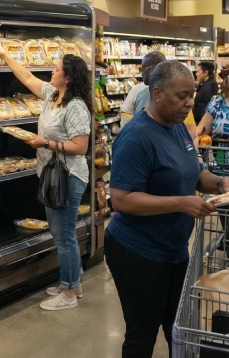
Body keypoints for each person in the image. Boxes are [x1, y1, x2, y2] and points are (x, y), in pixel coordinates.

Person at [106, 61, 229, 358]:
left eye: (192, 95)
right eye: (181, 96)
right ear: (158, 93)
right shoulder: (137, 136)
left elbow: (195, 172)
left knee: (177, 324)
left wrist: (221, 183)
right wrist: (183, 202)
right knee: (142, 333)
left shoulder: (176, 128)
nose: (189, 104)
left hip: (173, 251)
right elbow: (121, 199)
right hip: (138, 253)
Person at [0, 47, 92, 311]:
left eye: (57, 69)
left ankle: (68, 294)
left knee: (63, 236)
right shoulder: (53, 95)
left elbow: (80, 147)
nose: (52, 71)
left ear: (68, 77)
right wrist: (4, 56)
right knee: (62, 232)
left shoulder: (76, 107)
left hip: (68, 177)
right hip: (53, 175)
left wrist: (44, 143)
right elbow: (26, 78)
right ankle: (73, 283)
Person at [120, 51, 165, 127]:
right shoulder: (174, 90)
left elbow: (125, 116)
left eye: (143, 69)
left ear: (153, 69)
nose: (141, 73)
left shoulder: (137, 90)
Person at [198, 70, 229, 139]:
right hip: (220, 148)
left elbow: (206, 129)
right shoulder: (217, 102)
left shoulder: (217, 102)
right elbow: (205, 130)